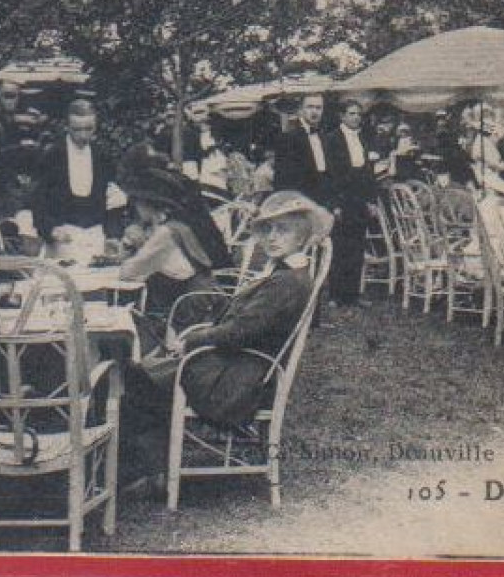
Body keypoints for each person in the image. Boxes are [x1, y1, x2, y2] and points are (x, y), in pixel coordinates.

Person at [122, 191, 329, 476]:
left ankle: (145, 470)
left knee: (135, 382)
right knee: (140, 375)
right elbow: (240, 329)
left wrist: (193, 339)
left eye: (283, 230)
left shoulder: (287, 283)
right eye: (268, 229)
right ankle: (151, 465)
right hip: (235, 363)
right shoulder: (284, 274)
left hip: (237, 380)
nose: (272, 237)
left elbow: (239, 333)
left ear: (303, 236)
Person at [117, 166, 219, 317]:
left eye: (137, 204)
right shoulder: (176, 225)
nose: (136, 210)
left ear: (147, 205)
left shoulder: (165, 234)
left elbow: (127, 273)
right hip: (198, 299)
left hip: (189, 307)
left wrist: (129, 244)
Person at [30, 99, 116, 254]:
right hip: (63, 236)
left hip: (94, 235)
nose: (83, 135)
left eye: (88, 129)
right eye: (77, 129)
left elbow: (110, 198)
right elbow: (38, 199)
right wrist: (50, 230)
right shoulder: (52, 156)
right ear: (67, 127)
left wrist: (112, 233)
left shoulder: (102, 156)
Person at [325, 98, 378, 307]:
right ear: (342, 116)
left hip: (360, 199)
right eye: (352, 114)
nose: (356, 118)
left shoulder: (363, 139)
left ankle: (353, 294)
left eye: (358, 114)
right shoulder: (332, 139)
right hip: (341, 198)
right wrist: (334, 204)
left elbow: (368, 173)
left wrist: (371, 201)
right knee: (340, 246)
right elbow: (329, 175)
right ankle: (335, 294)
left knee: (357, 246)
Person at [271, 93, 333, 205]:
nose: (314, 112)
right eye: (310, 107)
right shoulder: (288, 137)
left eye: (318, 108)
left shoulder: (325, 137)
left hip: (325, 200)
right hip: (300, 201)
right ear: (300, 109)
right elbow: (282, 178)